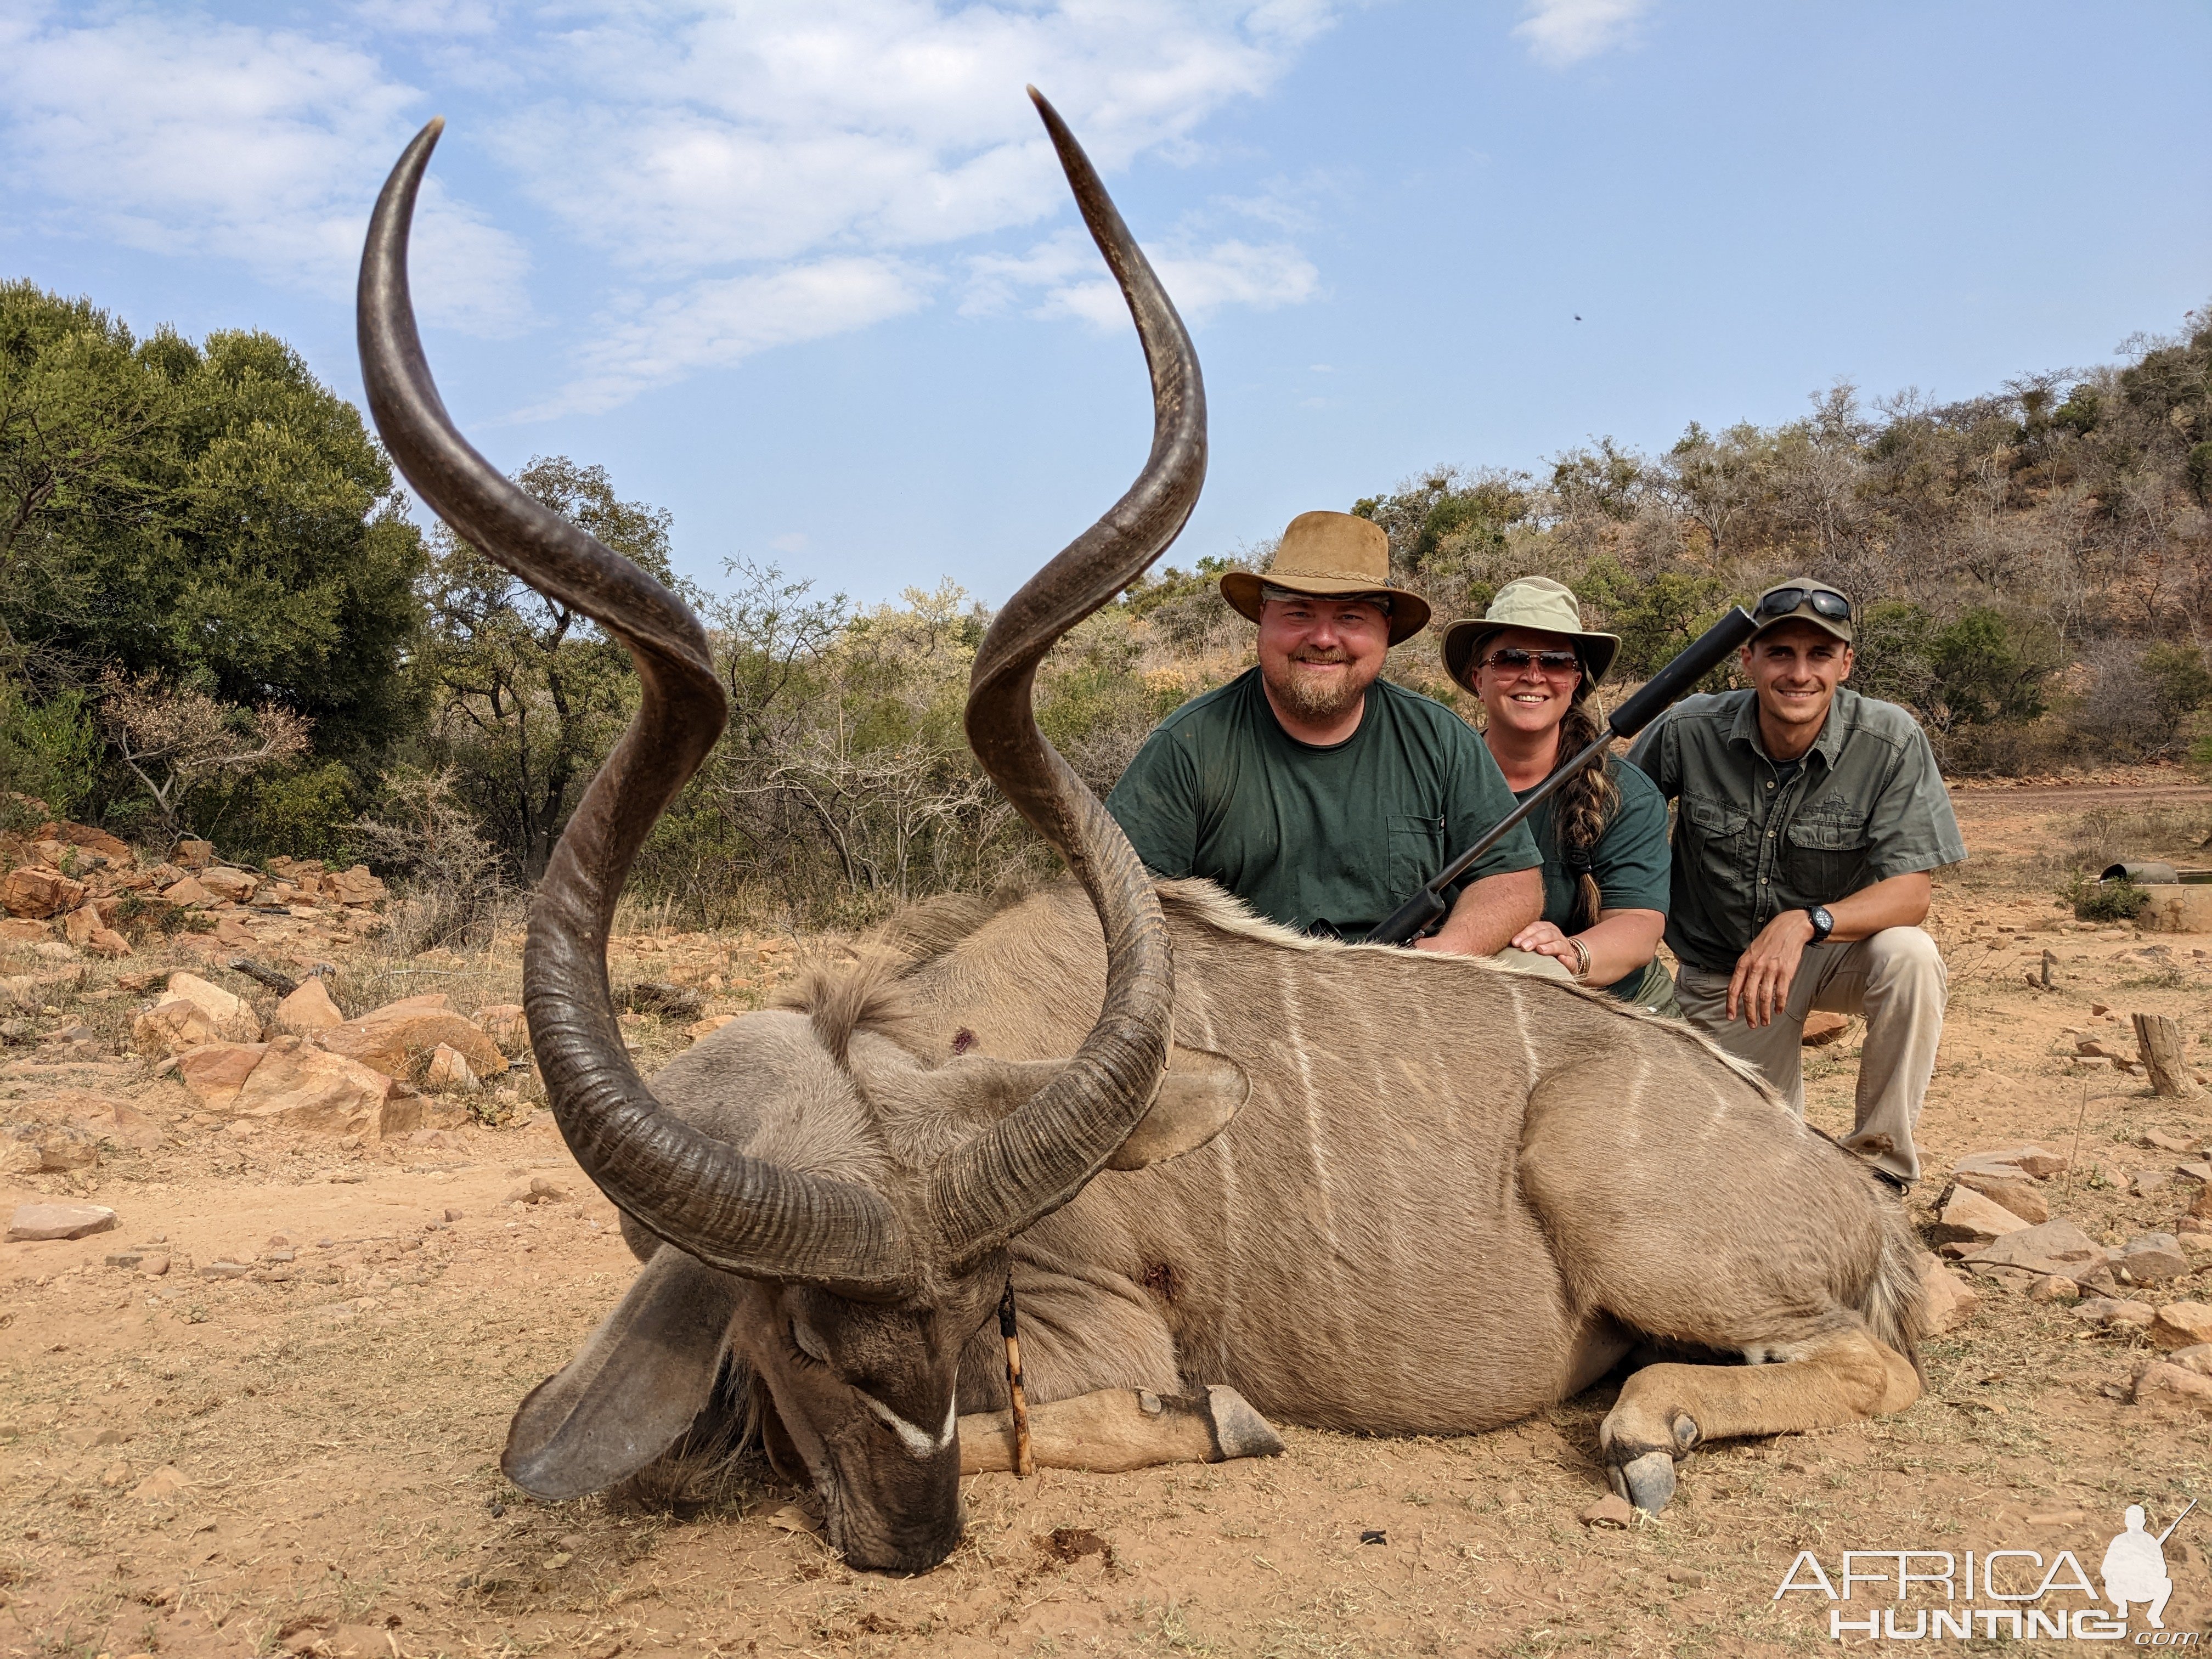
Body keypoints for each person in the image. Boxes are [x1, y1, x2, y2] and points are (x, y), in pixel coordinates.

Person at [1627, 578, 1965, 1187]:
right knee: (1750, 1173)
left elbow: (1912, 894)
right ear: (1748, 659)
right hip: (1729, 971)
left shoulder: (1890, 740)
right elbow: (1615, 825)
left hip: (1832, 952)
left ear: (1846, 664)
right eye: (1780, 653)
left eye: (1819, 655)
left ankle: (1880, 1174)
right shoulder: (1686, 729)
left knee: (1911, 956)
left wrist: (1807, 922)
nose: (1799, 673)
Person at [1105, 510, 1544, 952]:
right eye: (1298, 613)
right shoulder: (1187, 747)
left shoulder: (1440, 738)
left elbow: (1511, 881)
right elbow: (1119, 904)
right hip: (1245, 1000)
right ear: (1263, 618)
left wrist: (1436, 960)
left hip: (1406, 990)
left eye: (1351, 618)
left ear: (1385, 631)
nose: (1323, 638)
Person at [1440, 578, 1676, 1011]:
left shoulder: (1627, 794)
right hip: (1473, 1000)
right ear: (1479, 678)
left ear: (1574, 682)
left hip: (1615, 1008)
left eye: (1555, 662)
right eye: (1510, 659)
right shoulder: (1438, 779)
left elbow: (1638, 925)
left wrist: (1571, 954)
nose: (1533, 675)